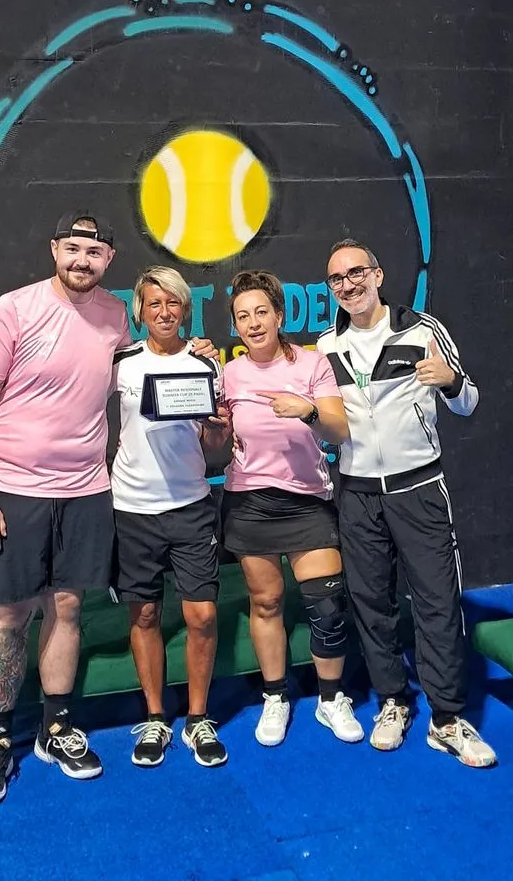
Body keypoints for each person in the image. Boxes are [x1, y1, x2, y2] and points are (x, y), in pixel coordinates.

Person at [0, 215, 217, 805]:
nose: (82, 259)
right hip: (16, 490)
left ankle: (55, 727)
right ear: (54, 249)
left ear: (109, 259)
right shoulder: (13, 310)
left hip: (86, 490)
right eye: (72, 248)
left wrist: (198, 353)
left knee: (68, 607)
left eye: (94, 251)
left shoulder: (114, 317)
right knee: (10, 616)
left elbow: (155, 364)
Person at [317, 238, 496, 767]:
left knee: (437, 601)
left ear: (377, 275)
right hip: (357, 493)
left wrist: (452, 380)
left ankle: (446, 718)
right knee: (371, 603)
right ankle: (392, 701)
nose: (348, 284)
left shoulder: (423, 329)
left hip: (418, 489)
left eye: (356, 273)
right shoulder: (325, 346)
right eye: (337, 279)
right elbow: (325, 422)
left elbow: (468, 403)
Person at [218, 270, 362, 748]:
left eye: (262, 312)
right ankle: (275, 696)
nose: (254, 323)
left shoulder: (313, 363)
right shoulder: (229, 373)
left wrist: (308, 411)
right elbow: (215, 436)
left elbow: (339, 430)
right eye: (243, 316)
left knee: (327, 604)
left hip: (307, 502)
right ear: (236, 325)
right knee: (266, 602)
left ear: (279, 316)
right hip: (249, 502)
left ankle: (330, 698)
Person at [110, 266, 230, 769]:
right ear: (139, 311)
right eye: (154, 304)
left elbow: (217, 446)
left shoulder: (206, 363)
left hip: (191, 506)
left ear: (186, 309)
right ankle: (155, 717)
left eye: (173, 303)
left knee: (201, 615)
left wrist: (219, 428)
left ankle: (198, 718)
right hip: (132, 508)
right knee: (144, 614)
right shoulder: (120, 363)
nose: (163, 312)